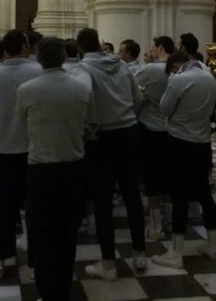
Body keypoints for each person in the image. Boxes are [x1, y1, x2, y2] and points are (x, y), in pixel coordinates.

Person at [17, 37, 93, 301]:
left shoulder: (26, 89)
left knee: (43, 230)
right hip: (73, 167)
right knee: (68, 230)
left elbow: (22, 123)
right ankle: (63, 287)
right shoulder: (80, 88)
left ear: (38, 58)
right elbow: (91, 126)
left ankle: (47, 290)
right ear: (64, 57)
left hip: (41, 168)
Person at [70, 27, 147, 280]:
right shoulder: (122, 66)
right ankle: (139, 254)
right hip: (129, 132)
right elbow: (137, 98)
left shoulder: (83, 69)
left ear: (80, 48)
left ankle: (108, 264)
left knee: (102, 201)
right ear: (99, 43)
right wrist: (126, 115)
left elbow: (85, 96)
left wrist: (90, 125)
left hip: (102, 138)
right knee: (132, 194)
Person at [0, 29, 43, 278]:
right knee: (36, 208)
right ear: (26, 47)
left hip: (5, 149)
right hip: (34, 150)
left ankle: (0, 259)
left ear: (5, 49)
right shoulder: (38, 72)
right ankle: (37, 262)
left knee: (6, 208)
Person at [152, 51, 216, 269]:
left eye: (171, 68)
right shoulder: (210, 78)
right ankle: (212, 245)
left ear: (176, 64)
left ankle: (176, 253)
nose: (172, 71)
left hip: (180, 141)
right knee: (204, 193)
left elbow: (164, 108)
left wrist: (172, 80)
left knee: (178, 194)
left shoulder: (179, 79)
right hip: (202, 141)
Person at [135, 35, 174, 239]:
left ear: (159, 47)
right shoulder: (178, 69)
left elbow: (133, 91)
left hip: (149, 128)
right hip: (171, 129)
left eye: (153, 46)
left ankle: (156, 225)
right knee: (168, 176)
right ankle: (169, 220)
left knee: (152, 177)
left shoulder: (151, 69)